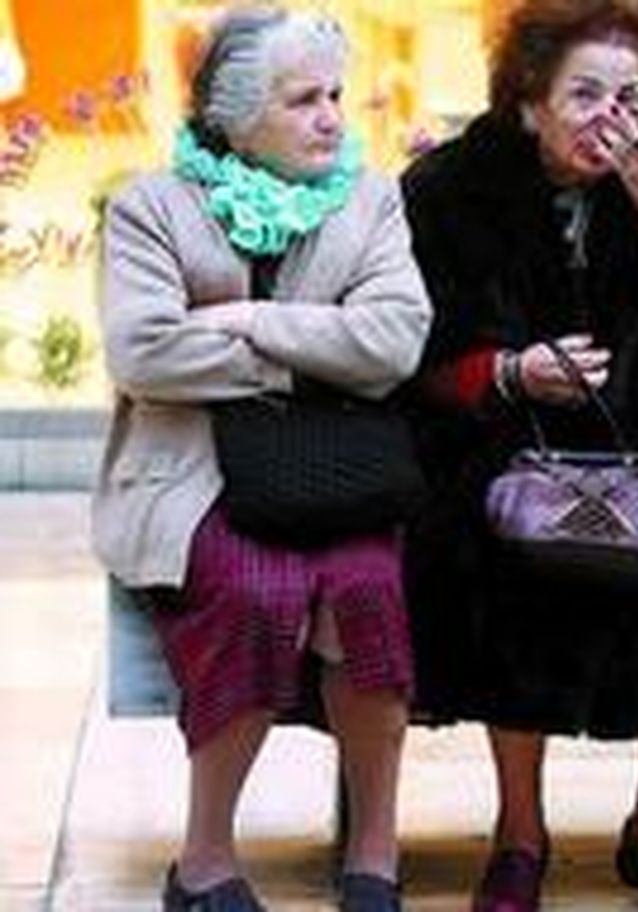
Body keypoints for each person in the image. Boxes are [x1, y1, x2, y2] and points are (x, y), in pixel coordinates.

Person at [399, 2, 638, 910]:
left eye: (629, 97)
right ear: (527, 100)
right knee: (490, 547)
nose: (610, 119)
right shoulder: (449, 190)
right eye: (583, 95)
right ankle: (519, 835)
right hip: (502, 438)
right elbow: (411, 352)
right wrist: (508, 372)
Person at [94, 6, 431, 911]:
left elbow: (395, 340)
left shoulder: (369, 200)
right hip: (194, 475)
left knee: (365, 591)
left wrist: (246, 322)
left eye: (335, 95)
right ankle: (203, 860)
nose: (331, 118)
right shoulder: (150, 206)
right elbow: (144, 352)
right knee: (257, 592)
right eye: (303, 99)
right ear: (238, 118)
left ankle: (374, 853)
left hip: (336, 473)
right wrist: (313, 357)